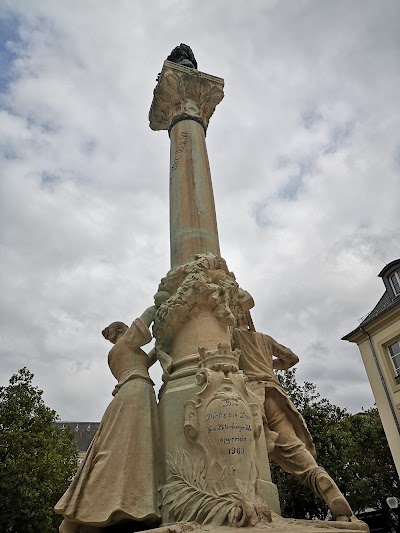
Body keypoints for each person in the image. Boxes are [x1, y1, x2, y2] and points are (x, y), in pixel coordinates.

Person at [232, 293, 356, 523]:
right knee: (293, 446)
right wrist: (272, 365)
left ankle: (247, 504)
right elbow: (292, 358)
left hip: (251, 397)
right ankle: (318, 476)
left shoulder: (233, 336)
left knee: (246, 451)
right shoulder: (264, 339)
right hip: (274, 395)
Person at [55, 306, 161, 532]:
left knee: (124, 451)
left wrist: (163, 345)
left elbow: (146, 360)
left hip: (134, 392)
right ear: (123, 331)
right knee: (121, 452)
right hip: (134, 394)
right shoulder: (124, 345)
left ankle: (95, 509)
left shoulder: (124, 351)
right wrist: (160, 304)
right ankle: (93, 509)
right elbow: (145, 321)